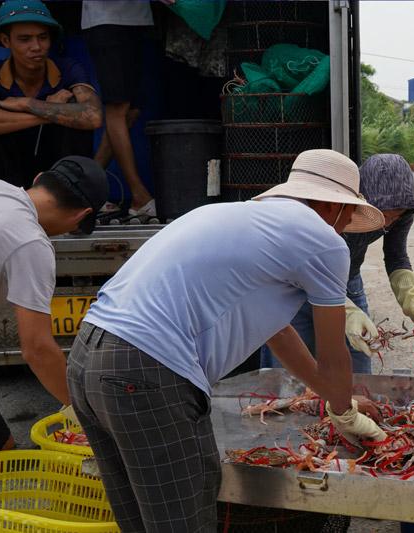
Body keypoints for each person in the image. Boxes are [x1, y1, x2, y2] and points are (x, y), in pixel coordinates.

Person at [67, 149, 388, 532]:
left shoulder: (233, 216)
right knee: (183, 521)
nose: (348, 222)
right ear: (328, 204)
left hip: (86, 358)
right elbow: (334, 353)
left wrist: (336, 399)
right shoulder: (322, 239)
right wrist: (345, 412)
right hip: (146, 371)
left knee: (139, 521)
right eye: (348, 211)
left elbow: (279, 333)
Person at [0, 156, 108, 459]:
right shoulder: (31, 241)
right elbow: (37, 349)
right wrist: (84, 415)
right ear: (81, 215)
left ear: (40, 177)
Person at [260, 153, 414, 374]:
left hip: (347, 282)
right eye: (383, 214)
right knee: (292, 368)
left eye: (395, 216)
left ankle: (354, 404)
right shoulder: (330, 213)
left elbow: (396, 255)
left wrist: (412, 302)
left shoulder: (402, 213)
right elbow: (311, 269)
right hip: (295, 283)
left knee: (358, 361)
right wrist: (348, 313)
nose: (387, 223)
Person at [0, 0, 102, 190]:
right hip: (11, 171)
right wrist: (47, 114)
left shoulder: (68, 67)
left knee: (73, 102)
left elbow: (93, 116)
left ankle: (71, 197)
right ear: (5, 41)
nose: (36, 46)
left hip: (61, 170)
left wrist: (27, 103)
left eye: (43, 37)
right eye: (25, 39)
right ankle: (11, 198)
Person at [81, 0, 161, 218]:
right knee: (118, 108)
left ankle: (84, 191)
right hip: (106, 21)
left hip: (137, 21)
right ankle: (139, 196)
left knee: (132, 110)